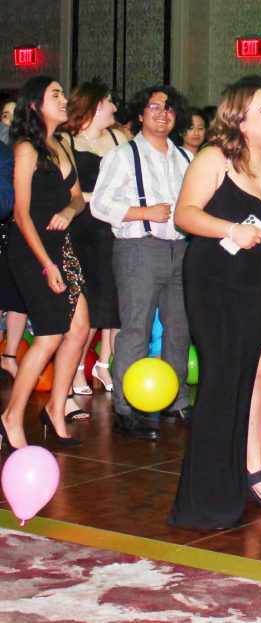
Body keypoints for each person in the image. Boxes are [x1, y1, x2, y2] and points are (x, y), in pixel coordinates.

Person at [169, 76, 261, 530]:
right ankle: (210, 488)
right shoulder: (216, 158)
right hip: (215, 282)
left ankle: (255, 470)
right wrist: (232, 229)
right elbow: (184, 214)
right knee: (223, 378)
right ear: (240, 120)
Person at [92, 85, 193, 440]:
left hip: (181, 250)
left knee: (179, 328)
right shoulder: (122, 156)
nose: (163, 113)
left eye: (169, 109)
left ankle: (175, 398)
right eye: (154, 107)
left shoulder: (185, 157)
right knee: (135, 328)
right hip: (138, 248)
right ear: (139, 114)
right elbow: (100, 204)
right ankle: (126, 407)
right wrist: (142, 212)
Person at [0, 76, 88, 450]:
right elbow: (21, 214)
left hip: (60, 246)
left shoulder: (61, 145)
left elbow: (79, 198)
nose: (65, 99)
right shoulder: (26, 149)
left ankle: (55, 409)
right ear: (35, 105)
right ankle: (10, 418)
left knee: (80, 328)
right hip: (31, 249)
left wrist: (69, 210)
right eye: (56, 94)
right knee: (51, 334)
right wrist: (48, 266)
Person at [64, 82, 129, 409]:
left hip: (115, 228)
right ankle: (76, 369)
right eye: (109, 102)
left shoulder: (121, 138)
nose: (115, 108)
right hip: (81, 231)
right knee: (87, 304)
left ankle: (105, 365)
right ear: (92, 106)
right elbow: (70, 194)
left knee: (115, 301)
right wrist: (102, 200)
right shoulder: (65, 141)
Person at [0, 138, 30, 381]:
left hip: (9, 234)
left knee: (15, 297)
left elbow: (5, 203)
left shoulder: (5, 152)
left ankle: (9, 357)